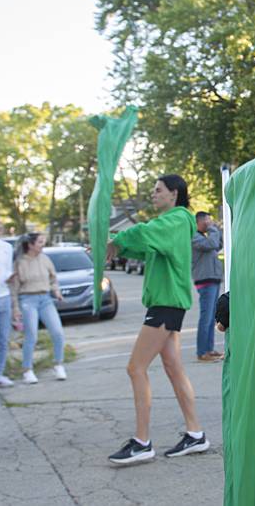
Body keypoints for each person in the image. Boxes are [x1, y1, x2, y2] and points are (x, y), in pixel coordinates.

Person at [106, 174, 209, 464]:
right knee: (174, 369)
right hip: (167, 304)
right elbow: (142, 245)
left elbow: (145, 233)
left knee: (135, 368)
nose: (153, 194)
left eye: (158, 190)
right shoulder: (171, 225)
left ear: (174, 193)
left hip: (165, 305)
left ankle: (142, 442)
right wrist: (117, 247)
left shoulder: (176, 220)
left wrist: (117, 239)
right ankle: (196, 434)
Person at [9, 233, 67, 384]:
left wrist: (56, 291)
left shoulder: (45, 259)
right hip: (27, 300)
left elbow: (53, 279)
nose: (43, 244)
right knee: (31, 335)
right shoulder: (20, 262)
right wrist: (16, 308)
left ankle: (58, 365)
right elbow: (14, 288)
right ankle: (27, 370)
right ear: (30, 245)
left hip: (46, 299)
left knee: (58, 332)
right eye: (40, 242)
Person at [192, 211, 224, 362]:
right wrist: (212, 229)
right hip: (205, 281)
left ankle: (209, 349)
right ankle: (202, 352)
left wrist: (217, 229)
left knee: (211, 317)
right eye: (207, 220)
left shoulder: (206, 236)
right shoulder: (195, 237)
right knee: (206, 317)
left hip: (213, 279)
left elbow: (218, 245)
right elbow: (211, 244)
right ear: (200, 221)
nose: (209, 222)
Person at [0, 219, 15, 387]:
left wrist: (10, 276)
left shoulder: (7, 247)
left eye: (0, 226)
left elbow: (8, 269)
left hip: (4, 296)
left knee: (3, 339)